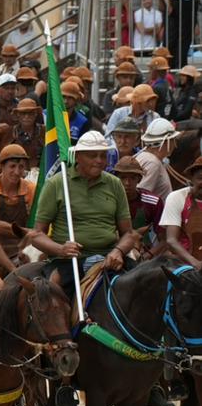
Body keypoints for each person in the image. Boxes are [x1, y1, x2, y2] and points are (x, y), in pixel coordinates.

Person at [29, 131, 135, 309]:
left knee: (146, 290)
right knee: (52, 304)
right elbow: (36, 235)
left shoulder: (114, 184)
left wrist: (118, 251)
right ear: (77, 156)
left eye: (103, 155)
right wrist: (61, 249)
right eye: (92, 155)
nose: (99, 160)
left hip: (109, 258)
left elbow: (129, 234)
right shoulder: (56, 184)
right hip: (69, 261)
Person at [159, 156, 202, 267]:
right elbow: (171, 240)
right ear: (191, 178)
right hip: (183, 265)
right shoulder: (177, 197)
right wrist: (195, 263)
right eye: (200, 178)